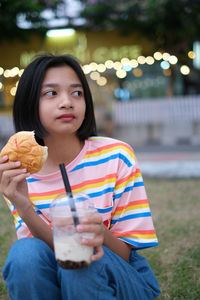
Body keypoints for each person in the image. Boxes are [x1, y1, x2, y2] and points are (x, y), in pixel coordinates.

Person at [0, 54, 161, 300]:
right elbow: (44, 256)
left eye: (77, 93)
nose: (67, 102)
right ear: (29, 102)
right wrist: (25, 209)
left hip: (123, 279)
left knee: (82, 257)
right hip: (57, 278)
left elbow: (125, 255)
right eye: (51, 93)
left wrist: (99, 233)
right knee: (26, 254)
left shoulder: (116, 156)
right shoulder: (19, 172)